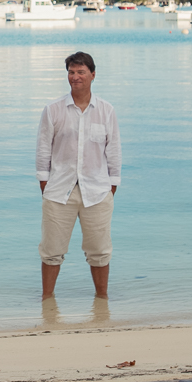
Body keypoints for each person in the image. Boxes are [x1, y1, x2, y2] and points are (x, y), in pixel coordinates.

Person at [35, 51, 121, 300]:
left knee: (100, 251)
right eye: (71, 72)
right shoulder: (52, 110)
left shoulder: (106, 111)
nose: (75, 77)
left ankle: (102, 301)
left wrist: (111, 187)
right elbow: (43, 151)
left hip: (97, 192)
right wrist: (45, 184)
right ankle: (47, 302)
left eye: (81, 72)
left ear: (93, 75)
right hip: (59, 191)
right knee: (51, 251)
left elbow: (113, 151)